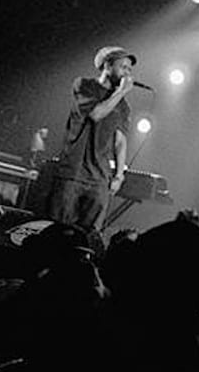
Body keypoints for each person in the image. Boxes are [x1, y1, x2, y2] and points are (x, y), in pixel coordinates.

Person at [46, 46, 136, 233]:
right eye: (123, 67)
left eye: (129, 69)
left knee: (89, 235)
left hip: (100, 178)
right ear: (107, 65)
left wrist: (119, 175)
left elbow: (120, 141)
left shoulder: (124, 106)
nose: (127, 73)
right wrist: (120, 92)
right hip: (73, 172)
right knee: (58, 230)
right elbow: (96, 114)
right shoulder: (84, 85)